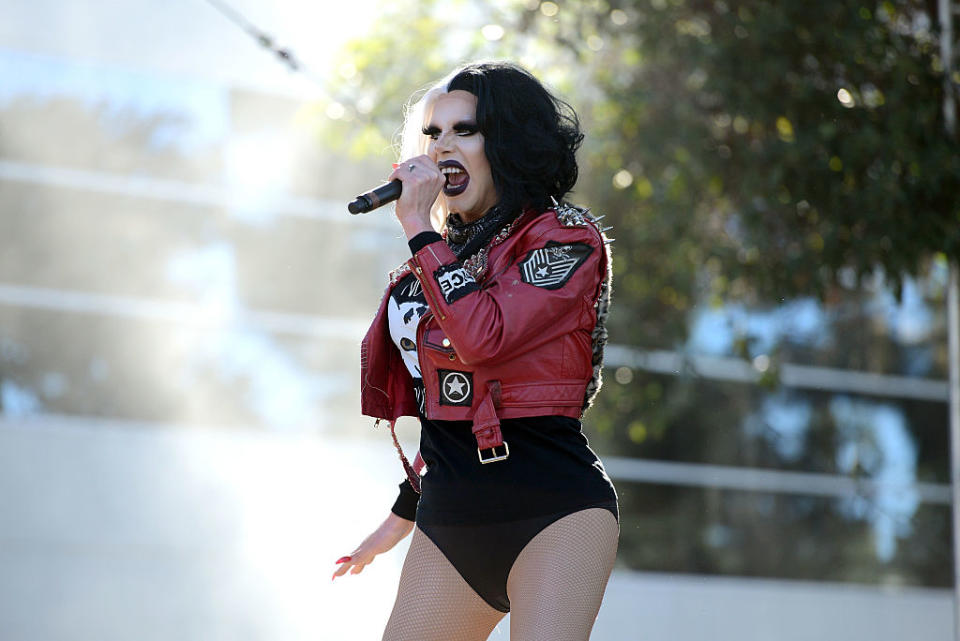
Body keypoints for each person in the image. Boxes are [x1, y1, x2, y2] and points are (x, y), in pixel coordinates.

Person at [332, 61, 619, 641]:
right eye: (434, 133)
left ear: (509, 141)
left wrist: (418, 227)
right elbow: (447, 402)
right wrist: (403, 510)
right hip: (452, 513)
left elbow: (483, 339)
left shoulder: (567, 236)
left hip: (554, 509)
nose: (441, 148)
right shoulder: (436, 259)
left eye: (465, 130)